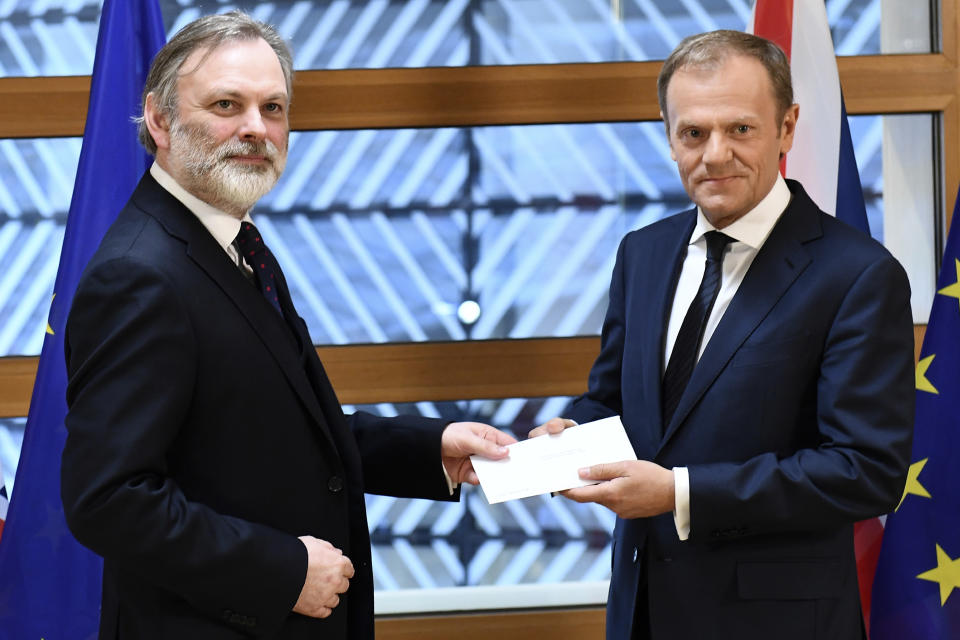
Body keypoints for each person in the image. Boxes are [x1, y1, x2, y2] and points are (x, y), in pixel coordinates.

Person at [60, 12, 514, 640]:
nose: (255, 128)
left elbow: (272, 434)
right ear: (160, 121)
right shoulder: (139, 275)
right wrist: (284, 570)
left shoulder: (233, 241)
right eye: (227, 104)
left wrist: (428, 451)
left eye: (273, 107)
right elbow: (109, 499)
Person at [531, 30, 914, 639]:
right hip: (643, 613)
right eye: (693, 133)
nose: (714, 155)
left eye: (740, 129)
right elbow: (617, 403)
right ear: (668, 134)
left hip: (776, 622)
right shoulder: (644, 253)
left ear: (786, 128)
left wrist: (680, 492)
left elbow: (865, 470)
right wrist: (573, 433)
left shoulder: (858, 275)